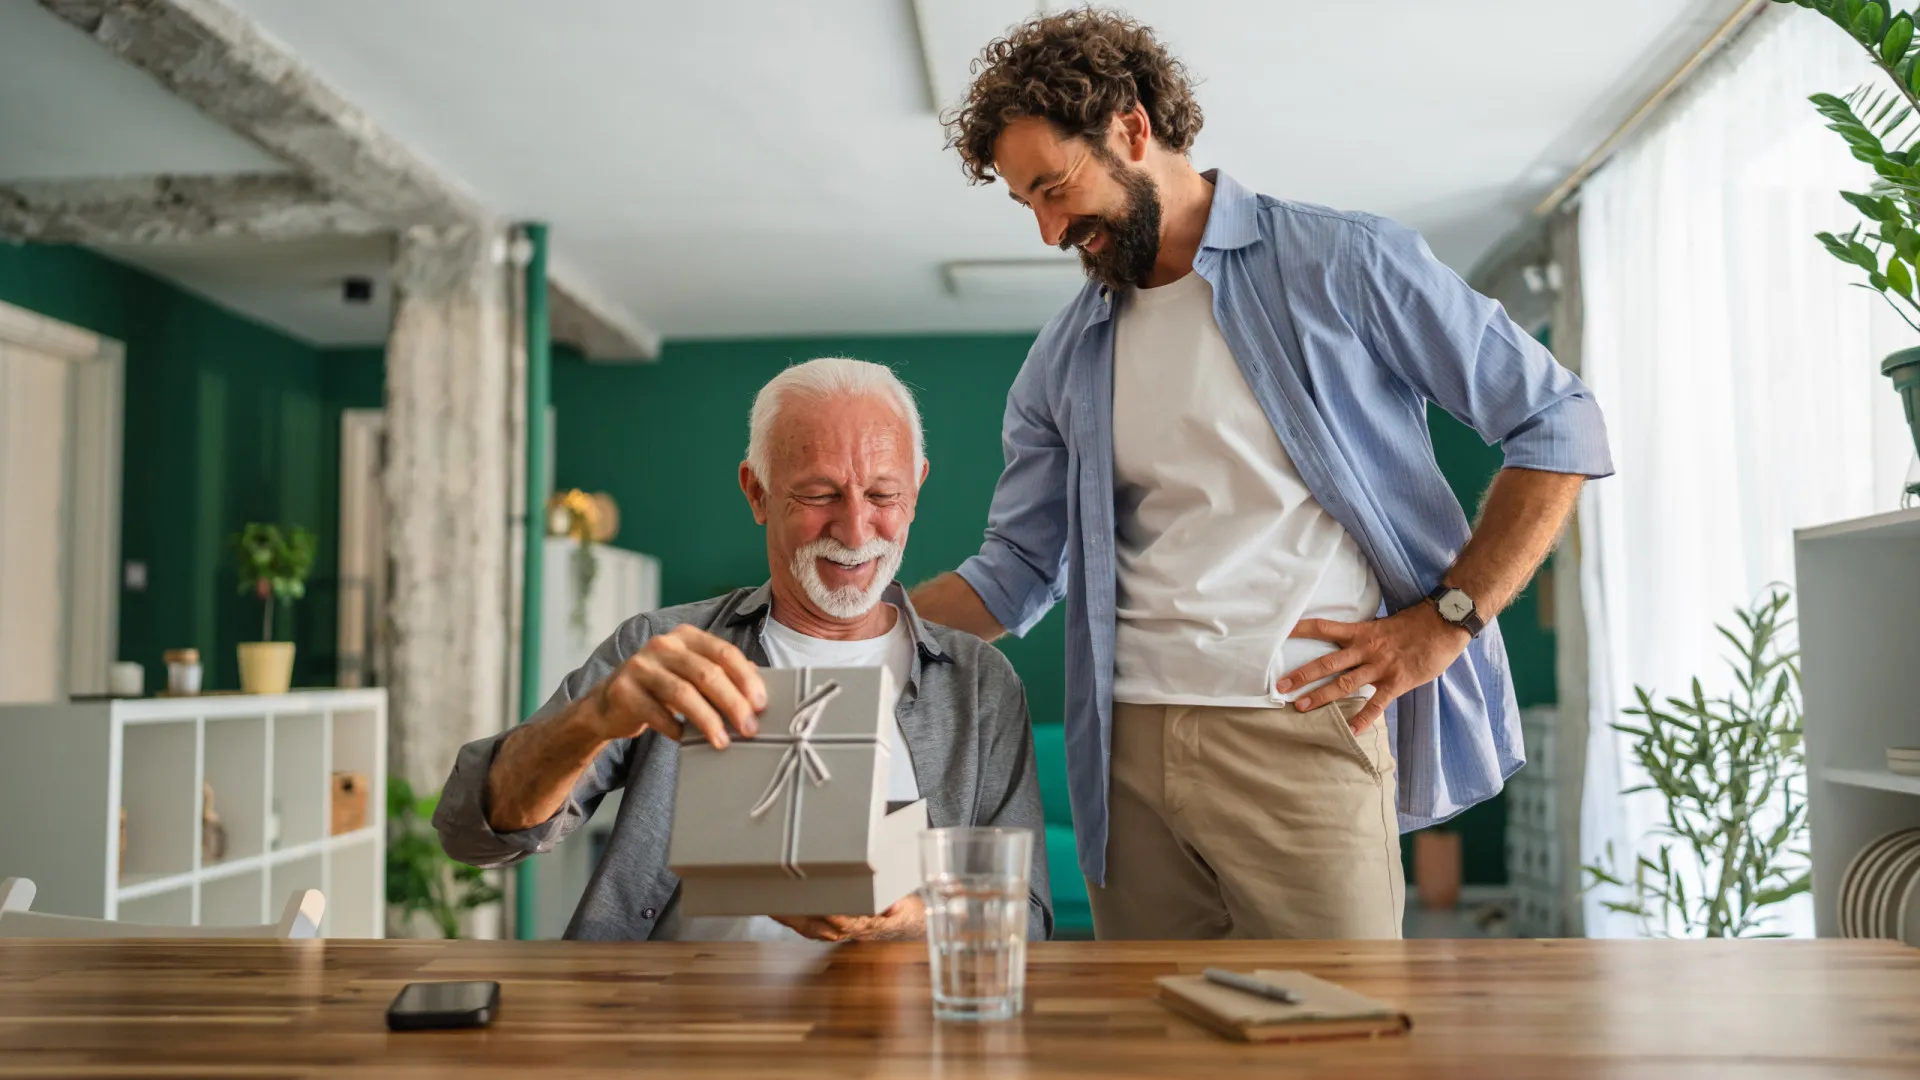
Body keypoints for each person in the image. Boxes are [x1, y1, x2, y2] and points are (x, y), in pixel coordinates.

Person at [909, 10, 1613, 941]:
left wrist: (1448, 623)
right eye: (1025, 204)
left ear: (1131, 129)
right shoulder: (1063, 357)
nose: (1047, 230)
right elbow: (1017, 573)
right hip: (1127, 756)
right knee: (1157, 1035)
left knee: (1338, 1034)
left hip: (1301, 730)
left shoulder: (1343, 262)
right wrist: (831, 638)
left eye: (1055, 187)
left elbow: (1557, 421)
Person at [435, 357, 1051, 942]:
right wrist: (591, 720)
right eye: (818, 494)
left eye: (883, 495)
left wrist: (912, 922)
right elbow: (475, 833)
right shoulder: (660, 648)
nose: (855, 530)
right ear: (756, 492)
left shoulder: (979, 684)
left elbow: (1026, 918)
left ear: (916, 487)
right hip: (679, 1023)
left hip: (896, 1034)